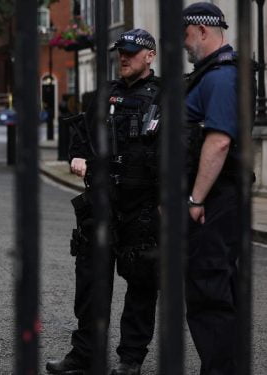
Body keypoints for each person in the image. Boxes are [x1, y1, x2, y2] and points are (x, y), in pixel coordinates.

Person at [46, 29, 161, 375]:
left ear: (150, 55)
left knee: (141, 284)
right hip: (100, 203)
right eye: (119, 53)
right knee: (91, 285)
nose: (123, 58)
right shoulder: (102, 96)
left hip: (143, 206)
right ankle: (85, 354)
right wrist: (77, 156)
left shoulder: (167, 96)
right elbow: (79, 137)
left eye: (130, 52)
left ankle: (130, 359)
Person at [183, 3, 247, 373]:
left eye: (186, 34)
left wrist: (195, 198)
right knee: (220, 289)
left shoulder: (221, 77)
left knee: (209, 295)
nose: (184, 43)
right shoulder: (212, 74)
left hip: (214, 202)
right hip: (218, 199)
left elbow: (219, 141)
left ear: (203, 31)